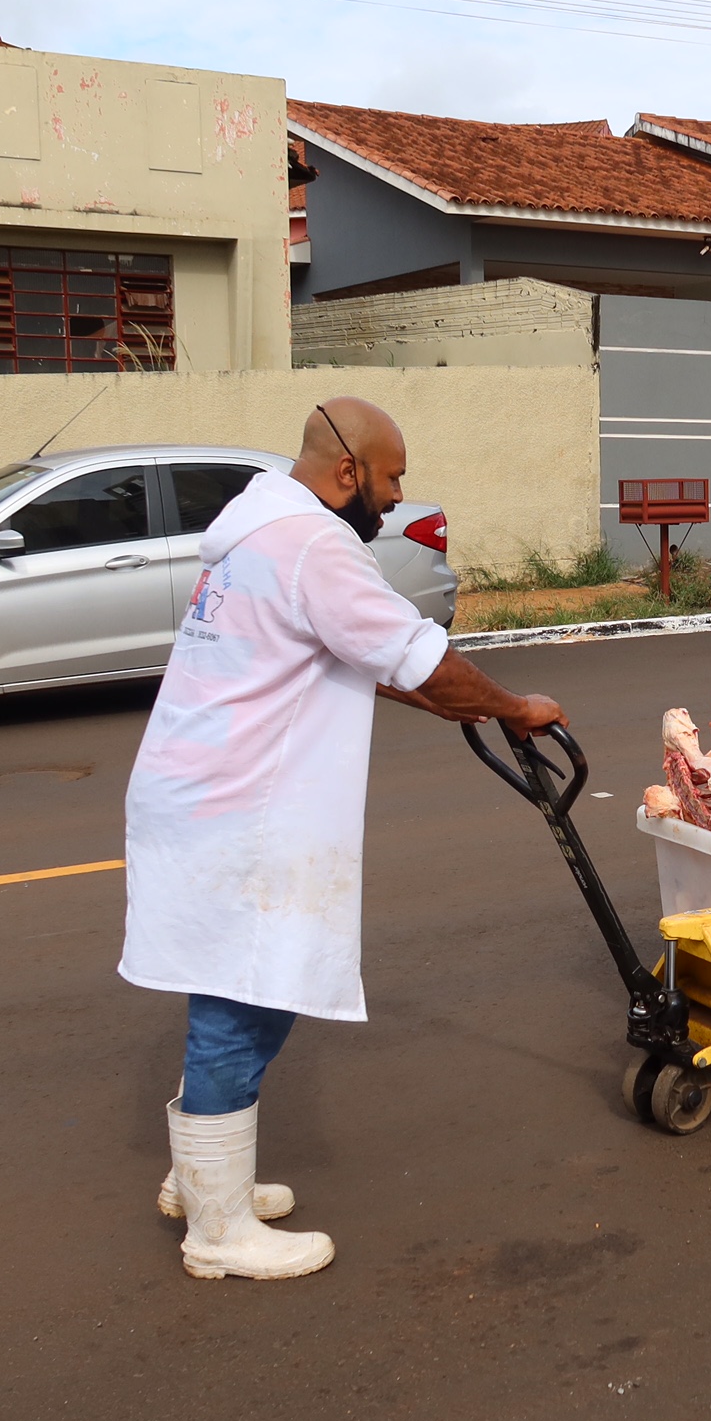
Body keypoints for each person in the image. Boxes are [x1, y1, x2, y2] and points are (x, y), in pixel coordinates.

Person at [120, 397, 565, 1282]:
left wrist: (445, 704)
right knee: (241, 1001)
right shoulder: (313, 546)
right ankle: (217, 1231)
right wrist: (516, 708)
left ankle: (202, 1181)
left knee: (250, 991)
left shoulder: (257, 529)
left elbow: (353, 650)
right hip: (239, 810)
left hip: (205, 794)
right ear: (348, 471)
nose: (397, 496)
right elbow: (416, 653)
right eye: (391, 477)